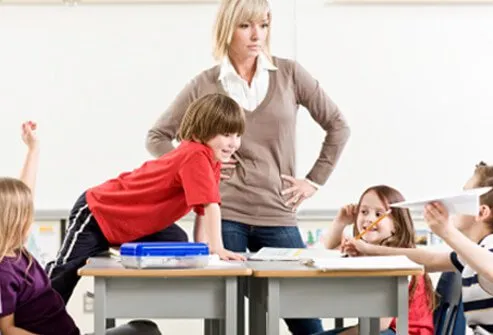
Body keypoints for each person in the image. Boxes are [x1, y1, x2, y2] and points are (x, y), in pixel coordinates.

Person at [146, 1, 350, 333]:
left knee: (307, 323)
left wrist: (314, 181)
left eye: (264, 25)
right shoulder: (205, 83)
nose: (257, 35)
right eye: (246, 26)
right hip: (226, 214)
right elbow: (157, 137)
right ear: (228, 28)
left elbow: (339, 126)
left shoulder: (290, 74)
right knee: (225, 323)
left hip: (277, 212)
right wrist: (197, 173)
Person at [46, 93, 246, 305]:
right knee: (65, 271)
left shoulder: (210, 161)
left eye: (237, 135)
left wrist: (204, 250)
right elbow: (211, 205)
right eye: (226, 134)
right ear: (203, 129)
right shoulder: (195, 155)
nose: (234, 143)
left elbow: (203, 211)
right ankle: (30, 320)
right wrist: (217, 248)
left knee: (176, 240)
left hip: (132, 221)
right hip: (100, 211)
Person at [0, 123, 161, 335]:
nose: (32, 219)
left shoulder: (15, 251)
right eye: (28, 215)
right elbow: (7, 330)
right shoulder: (4, 271)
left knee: (144, 328)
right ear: (16, 221)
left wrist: (33, 150)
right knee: (145, 331)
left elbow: (24, 195)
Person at [343, 162, 493, 334]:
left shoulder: (488, 249)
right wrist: (368, 249)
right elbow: (429, 260)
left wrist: (447, 232)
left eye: (464, 195)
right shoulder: (473, 254)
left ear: (481, 213)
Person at [316, 185, 435, 335]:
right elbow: (331, 246)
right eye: (364, 212)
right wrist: (341, 222)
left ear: (397, 225)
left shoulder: (396, 261)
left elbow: (378, 325)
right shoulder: (369, 251)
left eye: (379, 214)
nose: (369, 219)